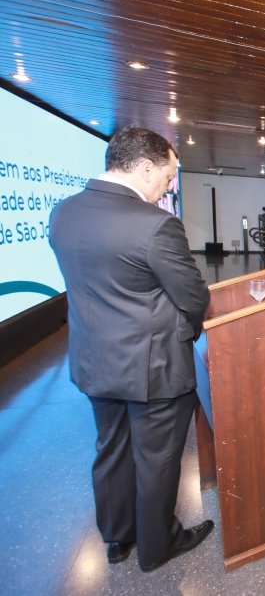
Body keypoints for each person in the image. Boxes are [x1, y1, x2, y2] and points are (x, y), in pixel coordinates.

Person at [48, 126, 213, 572]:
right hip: (154, 368)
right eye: (168, 174)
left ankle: (117, 538)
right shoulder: (156, 225)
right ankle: (159, 545)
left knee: (112, 449)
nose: (170, 184)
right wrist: (185, 325)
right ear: (143, 167)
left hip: (94, 363)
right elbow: (194, 297)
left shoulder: (62, 214)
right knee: (157, 460)